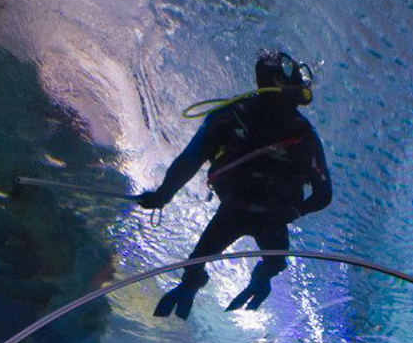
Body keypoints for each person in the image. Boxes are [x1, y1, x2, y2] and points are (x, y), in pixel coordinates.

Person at [138, 50, 333, 318]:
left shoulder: (231, 116)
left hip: (237, 211)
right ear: (280, 82)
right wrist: (290, 213)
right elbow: (323, 195)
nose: (303, 85)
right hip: (269, 217)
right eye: (298, 78)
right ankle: (230, 279)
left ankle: (205, 282)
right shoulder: (300, 132)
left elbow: (190, 161)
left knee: (202, 263)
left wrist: (163, 195)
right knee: (272, 262)